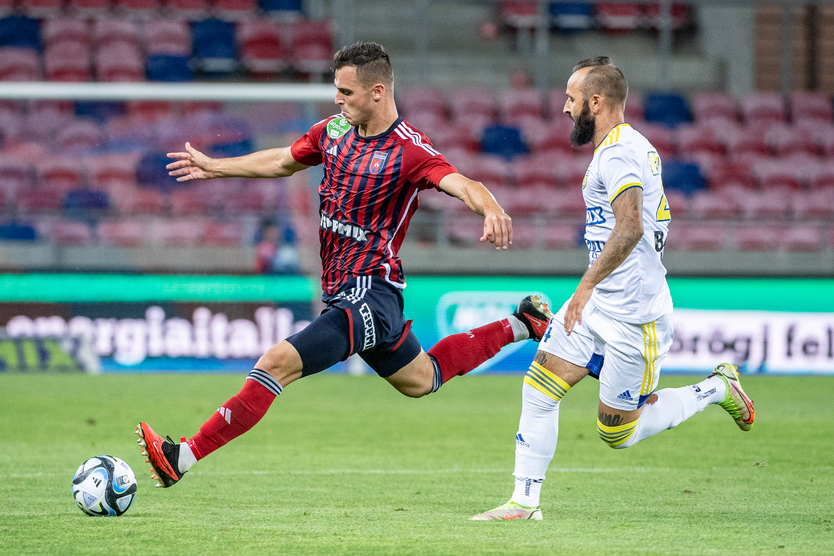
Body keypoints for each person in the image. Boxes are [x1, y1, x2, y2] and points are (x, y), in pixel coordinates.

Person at [135, 41, 555, 488]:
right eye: (337, 90)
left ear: (377, 91)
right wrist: (217, 167)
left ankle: (182, 456)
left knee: (276, 363)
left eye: (346, 92)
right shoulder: (333, 131)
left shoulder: (410, 150)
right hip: (346, 293)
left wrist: (491, 209)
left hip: (370, 291)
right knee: (422, 378)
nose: (338, 99)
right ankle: (523, 323)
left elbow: (461, 183)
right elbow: (281, 160)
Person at [470, 57, 756, 521]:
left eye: (571, 98)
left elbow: (630, 227)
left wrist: (584, 286)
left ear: (596, 102)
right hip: (597, 303)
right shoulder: (620, 147)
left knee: (617, 434)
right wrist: (589, 293)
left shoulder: (620, 152)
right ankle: (524, 503)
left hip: (634, 317)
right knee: (539, 388)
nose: (565, 108)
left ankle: (717, 387)